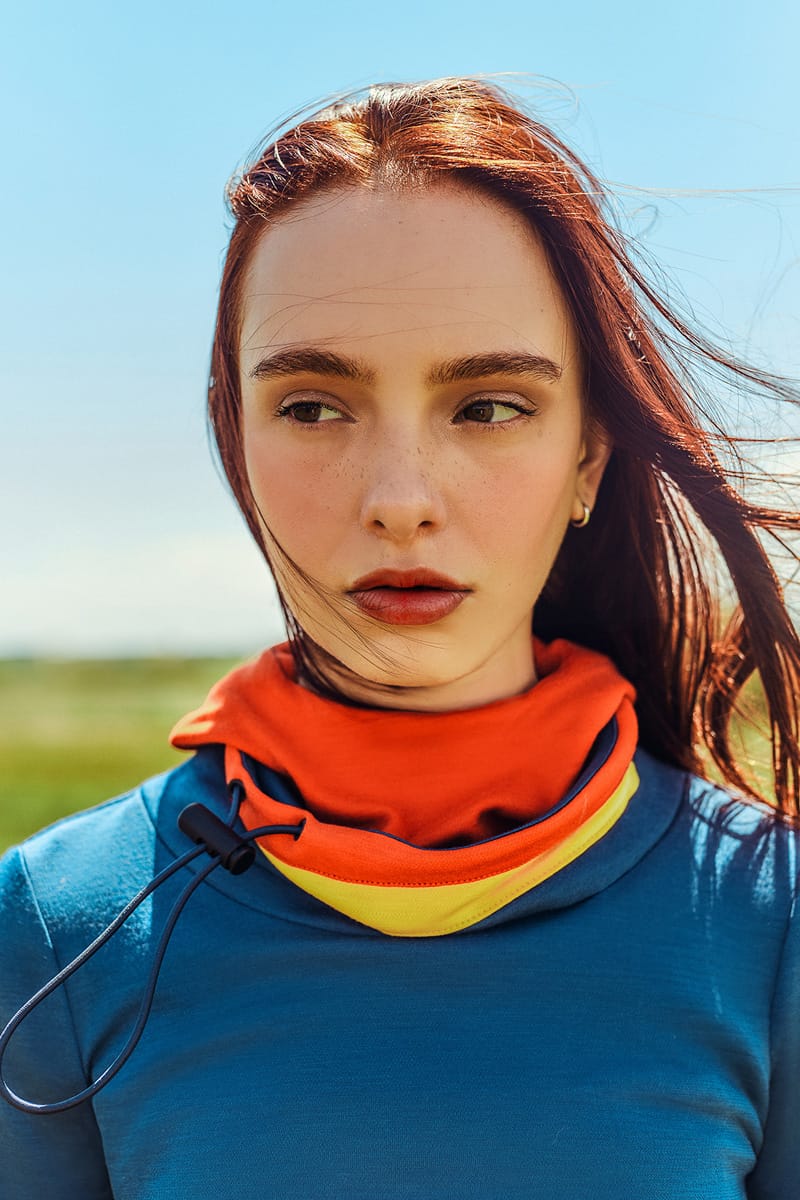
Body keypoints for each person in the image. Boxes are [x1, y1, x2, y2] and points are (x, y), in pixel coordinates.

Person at [1, 75, 799, 1199]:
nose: (399, 497)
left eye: (487, 406)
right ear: (236, 437)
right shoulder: (53, 930)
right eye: (313, 406)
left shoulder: (771, 923)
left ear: (587, 458)